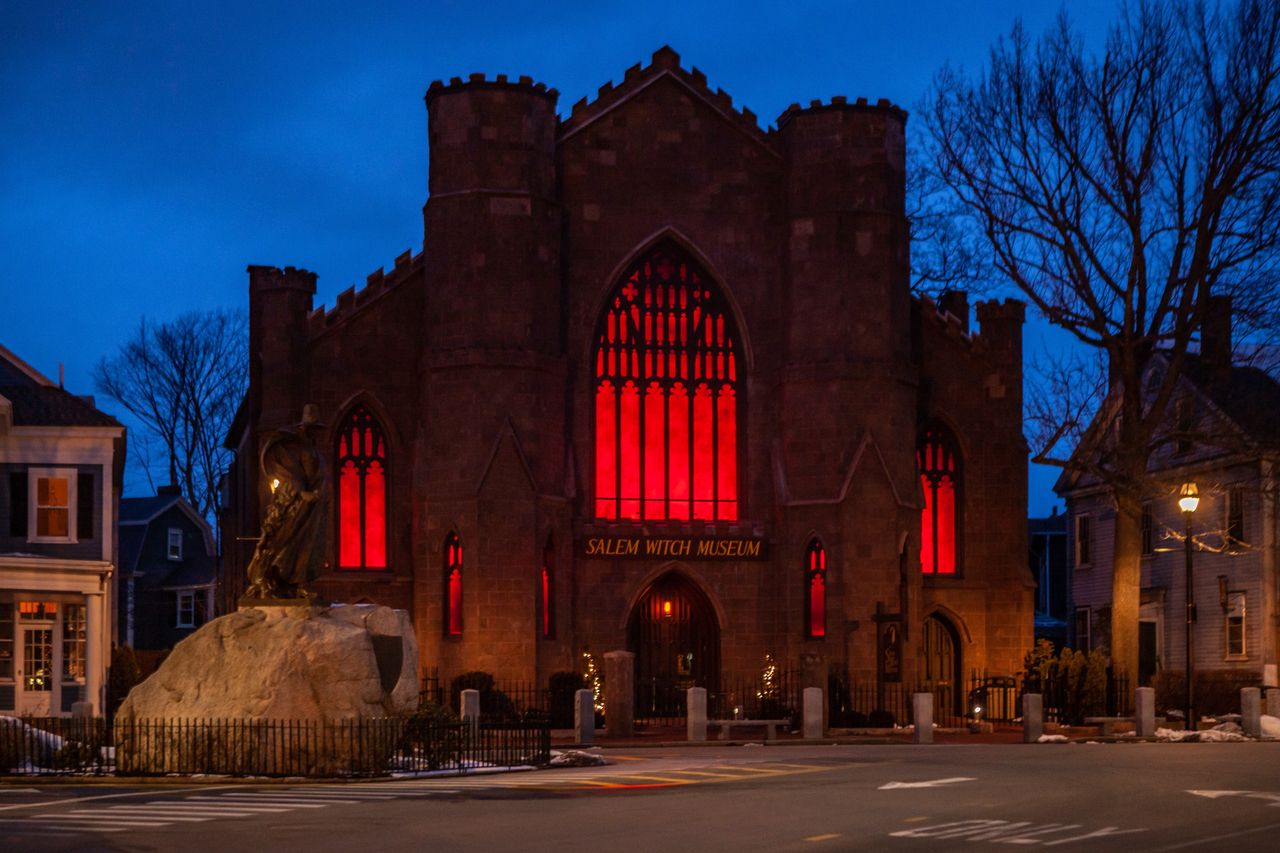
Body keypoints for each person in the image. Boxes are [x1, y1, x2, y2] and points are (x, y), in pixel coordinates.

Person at [243, 404, 329, 600]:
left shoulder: (314, 452)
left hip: (314, 506)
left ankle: (299, 584)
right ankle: (273, 581)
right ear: (303, 427)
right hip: (297, 505)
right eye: (312, 428)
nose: (314, 433)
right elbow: (290, 474)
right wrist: (302, 493)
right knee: (286, 543)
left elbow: (318, 476)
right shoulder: (290, 449)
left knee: (308, 544)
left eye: (317, 429)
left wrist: (320, 499)